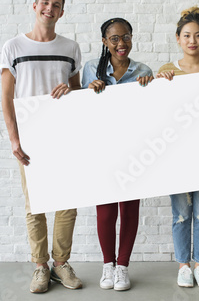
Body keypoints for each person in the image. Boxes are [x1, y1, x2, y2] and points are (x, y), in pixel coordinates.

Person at [0, 0, 83, 293]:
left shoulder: (70, 48)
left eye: (56, 4)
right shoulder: (13, 47)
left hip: (64, 136)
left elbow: (77, 93)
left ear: (62, 12)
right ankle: (40, 267)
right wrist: (14, 140)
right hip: (30, 138)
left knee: (67, 204)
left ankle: (61, 264)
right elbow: (7, 98)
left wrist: (70, 90)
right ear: (34, 6)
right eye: (45, 2)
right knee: (35, 204)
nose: (50, 8)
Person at [82, 17, 153, 292]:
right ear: (104, 42)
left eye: (126, 37)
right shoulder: (91, 69)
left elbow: (154, 112)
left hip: (135, 150)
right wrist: (88, 91)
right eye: (114, 39)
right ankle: (107, 265)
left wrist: (151, 86)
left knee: (130, 208)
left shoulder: (143, 70)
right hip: (103, 149)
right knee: (106, 211)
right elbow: (80, 110)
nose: (121, 44)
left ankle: (123, 266)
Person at [157, 6, 199, 288]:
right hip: (177, 157)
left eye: (198, 35)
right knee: (182, 215)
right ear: (178, 38)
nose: (192, 40)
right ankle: (184, 265)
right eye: (187, 35)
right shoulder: (166, 71)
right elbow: (158, 114)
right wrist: (159, 86)